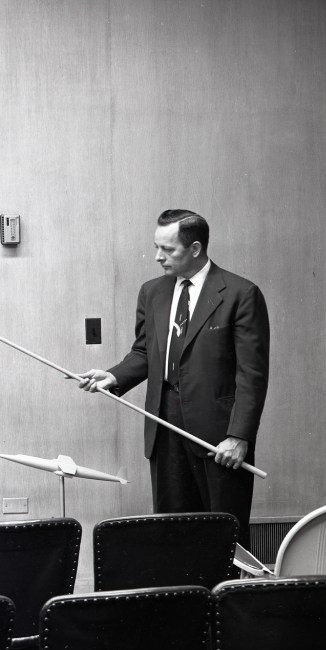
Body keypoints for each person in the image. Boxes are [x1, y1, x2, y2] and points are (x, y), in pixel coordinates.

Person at [77, 209, 269, 545]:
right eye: (156, 247)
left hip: (218, 439)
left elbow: (251, 374)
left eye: (168, 250)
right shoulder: (152, 292)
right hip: (164, 430)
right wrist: (113, 376)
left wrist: (239, 436)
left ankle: (225, 598)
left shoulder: (241, 294)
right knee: (173, 536)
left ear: (195, 249)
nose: (157, 257)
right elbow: (145, 353)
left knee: (224, 538)